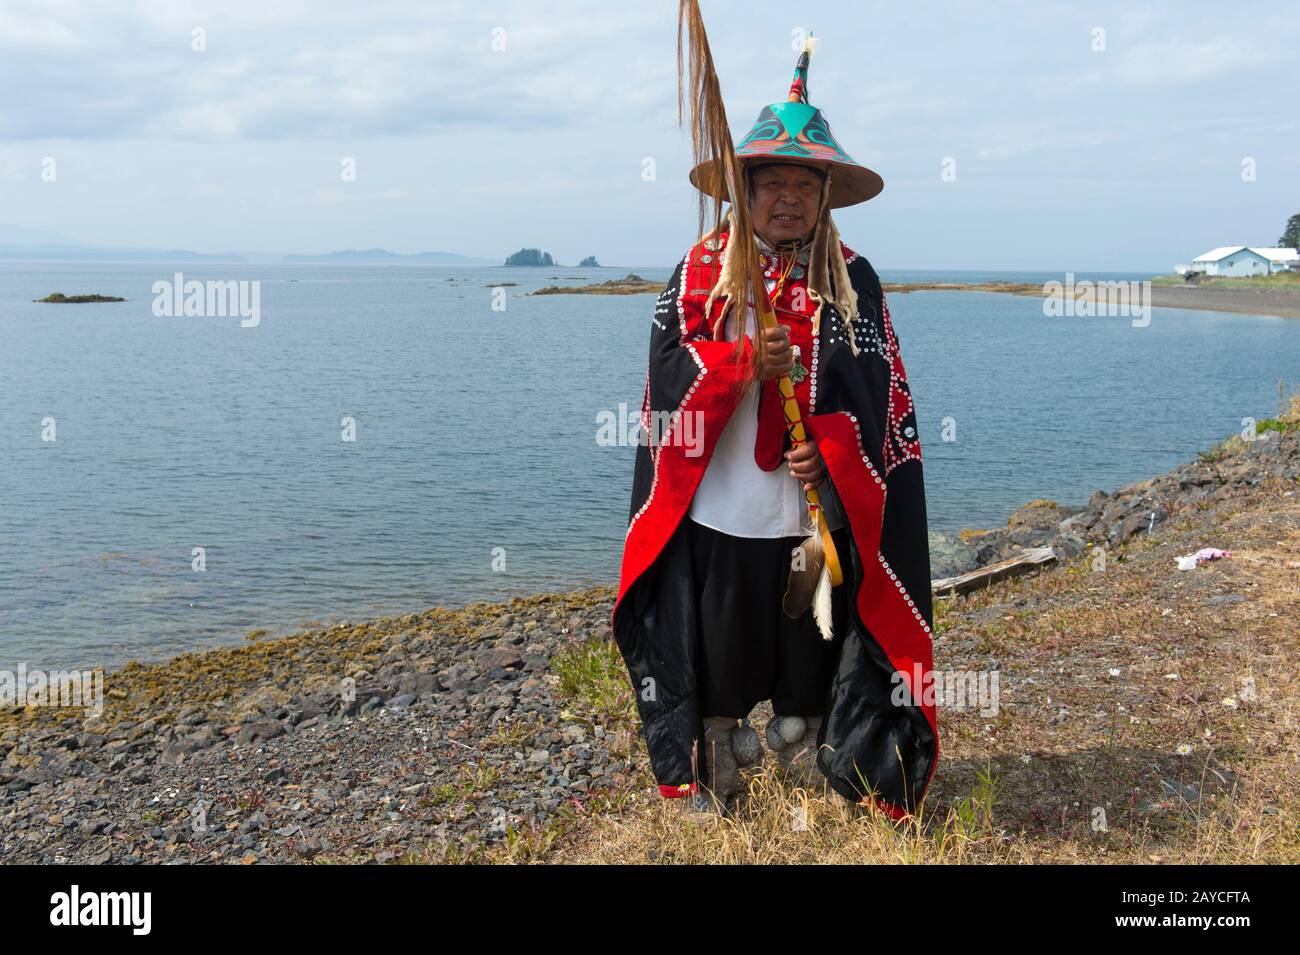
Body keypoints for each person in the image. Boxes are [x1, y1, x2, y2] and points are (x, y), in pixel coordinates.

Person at [611, 47, 938, 820]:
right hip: (722, 507)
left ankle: (827, 759)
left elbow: (880, 398)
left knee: (812, 649)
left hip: (815, 512)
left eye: (804, 185)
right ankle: (714, 762)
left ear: (825, 195)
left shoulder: (853, 281)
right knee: (720, 649)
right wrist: (740, 363)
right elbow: (668, 378)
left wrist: (830, 448)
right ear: (745, 190)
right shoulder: (701, 273)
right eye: (773, 183)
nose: (788, 200)